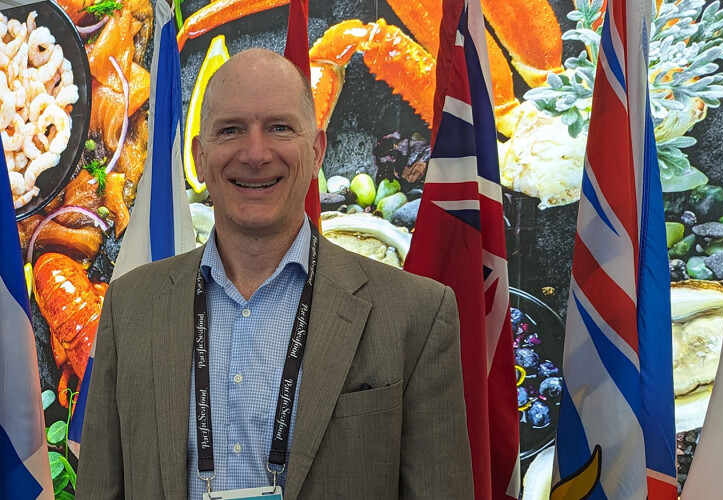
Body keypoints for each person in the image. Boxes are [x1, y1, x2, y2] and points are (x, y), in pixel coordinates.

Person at [75, 48, 474, 499]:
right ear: (199, 157)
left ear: (317, 151)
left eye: (279, 128)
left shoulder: (417, 315)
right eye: (231, 130)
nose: (255, 153)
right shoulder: (130, 307)